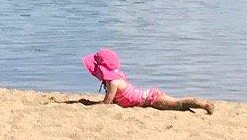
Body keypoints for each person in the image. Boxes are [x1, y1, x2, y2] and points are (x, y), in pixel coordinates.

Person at [82, 48, 214, 114]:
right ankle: (200, 105)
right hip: (148, 97)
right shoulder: (114, 79)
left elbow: (107, 102)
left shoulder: (113, 82)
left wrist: (91, 106)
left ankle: (203, 104)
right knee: (177, 106)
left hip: (150, 99)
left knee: (177, 104)